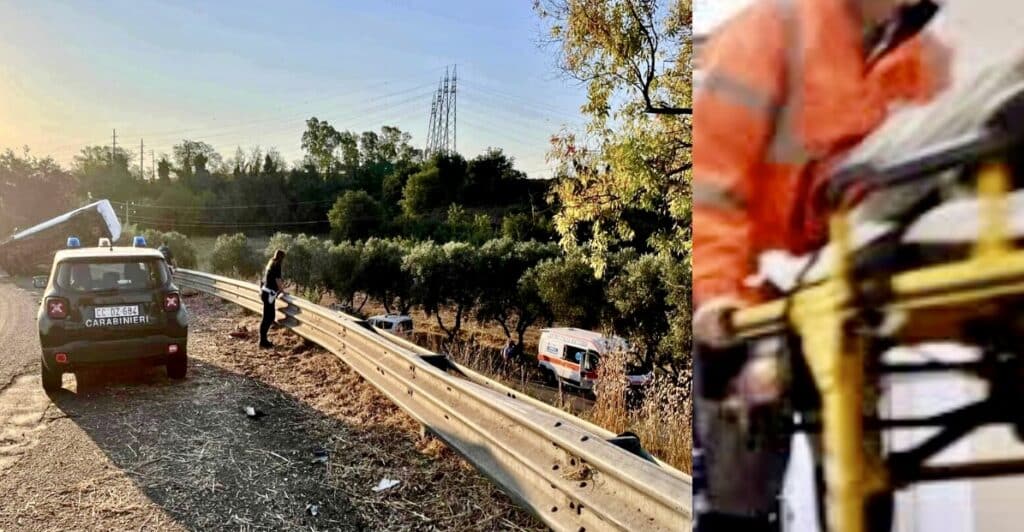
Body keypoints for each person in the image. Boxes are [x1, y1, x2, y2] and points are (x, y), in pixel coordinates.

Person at [692, 1, 951, 530]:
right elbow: (713, 183)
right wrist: (719, 293)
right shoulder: (766, 34)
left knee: (857, 486)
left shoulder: (915, 53)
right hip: (749, 295)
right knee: (739, 491)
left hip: (837, 290)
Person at [259, 249, 286, 349]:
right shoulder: (277, 264)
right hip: (269, 293)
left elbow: (264, 279)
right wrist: (282, 291)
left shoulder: (270, 263)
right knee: (268, 317)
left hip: (265, 292)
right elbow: (277, 279)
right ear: (281, 257)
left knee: (268, 317)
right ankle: (263, 341)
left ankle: (263, 340)